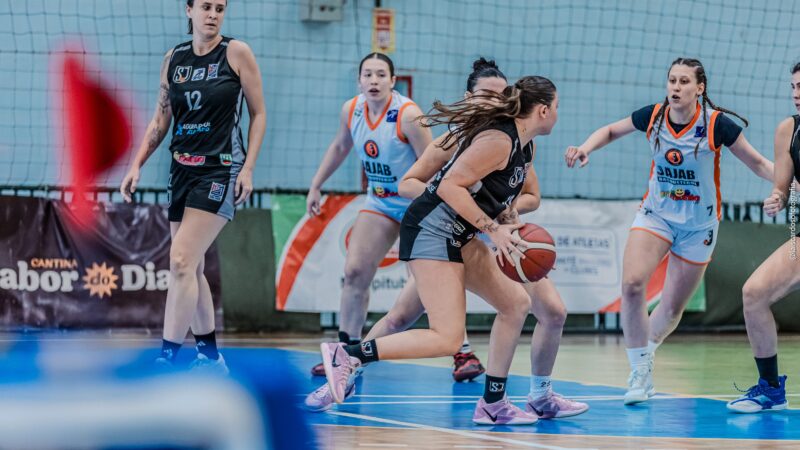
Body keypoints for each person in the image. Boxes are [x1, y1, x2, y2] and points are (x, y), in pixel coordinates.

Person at [305, 59, 587, 419]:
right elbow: (446, 185)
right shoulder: (493, 139)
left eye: (500, 94)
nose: (495, 100)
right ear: (544, 110)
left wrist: (505, 215)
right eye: (558, 107)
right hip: (433, 230)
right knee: (446, 337)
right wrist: (492, 227)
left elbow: (518, 195)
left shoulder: (523, 144)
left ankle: (493, 404)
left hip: (461, 232)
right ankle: (348, 355)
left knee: (515, 304)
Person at [565, 57, 773, 404]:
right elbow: (611, 130)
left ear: (699, 88)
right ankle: (638, 371)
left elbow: (759, 163)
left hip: (698, 226)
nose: (676, 87)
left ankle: (647, 353)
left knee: (673, 309)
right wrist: (586, 147)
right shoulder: (654, 116)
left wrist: (789, 183)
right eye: (672, 80)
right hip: (656, 215)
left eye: (684, 81)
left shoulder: (716, 125)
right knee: (632, 285)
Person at [119, 0, 266, 371]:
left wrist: (248, 168)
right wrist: (136, 164)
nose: (213, 14)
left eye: (220, 8)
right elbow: (160, 120)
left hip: (220, 169)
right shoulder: (174, 59)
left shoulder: (236, 53)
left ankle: (167, 358)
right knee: (192, 268)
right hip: (181, 169)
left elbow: (259, 113)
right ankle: (211, 357)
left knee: (181, 260)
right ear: (189, 11)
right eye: (206, 7)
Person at [306, 52, 447, 377]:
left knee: (426, 284)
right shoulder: (351, 109)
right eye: (367, 74)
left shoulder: (408, 115)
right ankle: (345, 352)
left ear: (393, 81)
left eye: (381, 74)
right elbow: (340, 146)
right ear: (359, 80)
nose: (374, 80)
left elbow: (432, 162)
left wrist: (440, 206)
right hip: (381, 203)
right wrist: (316, 185)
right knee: (354, 271)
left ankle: (463, 353)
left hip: (416, 204)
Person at [727, 62, 800, 413]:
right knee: (754, 293)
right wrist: (777, 198)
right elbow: (782, 186)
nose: (797, 94)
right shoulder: (789, 129)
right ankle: (770, 389)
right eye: (794, 87)